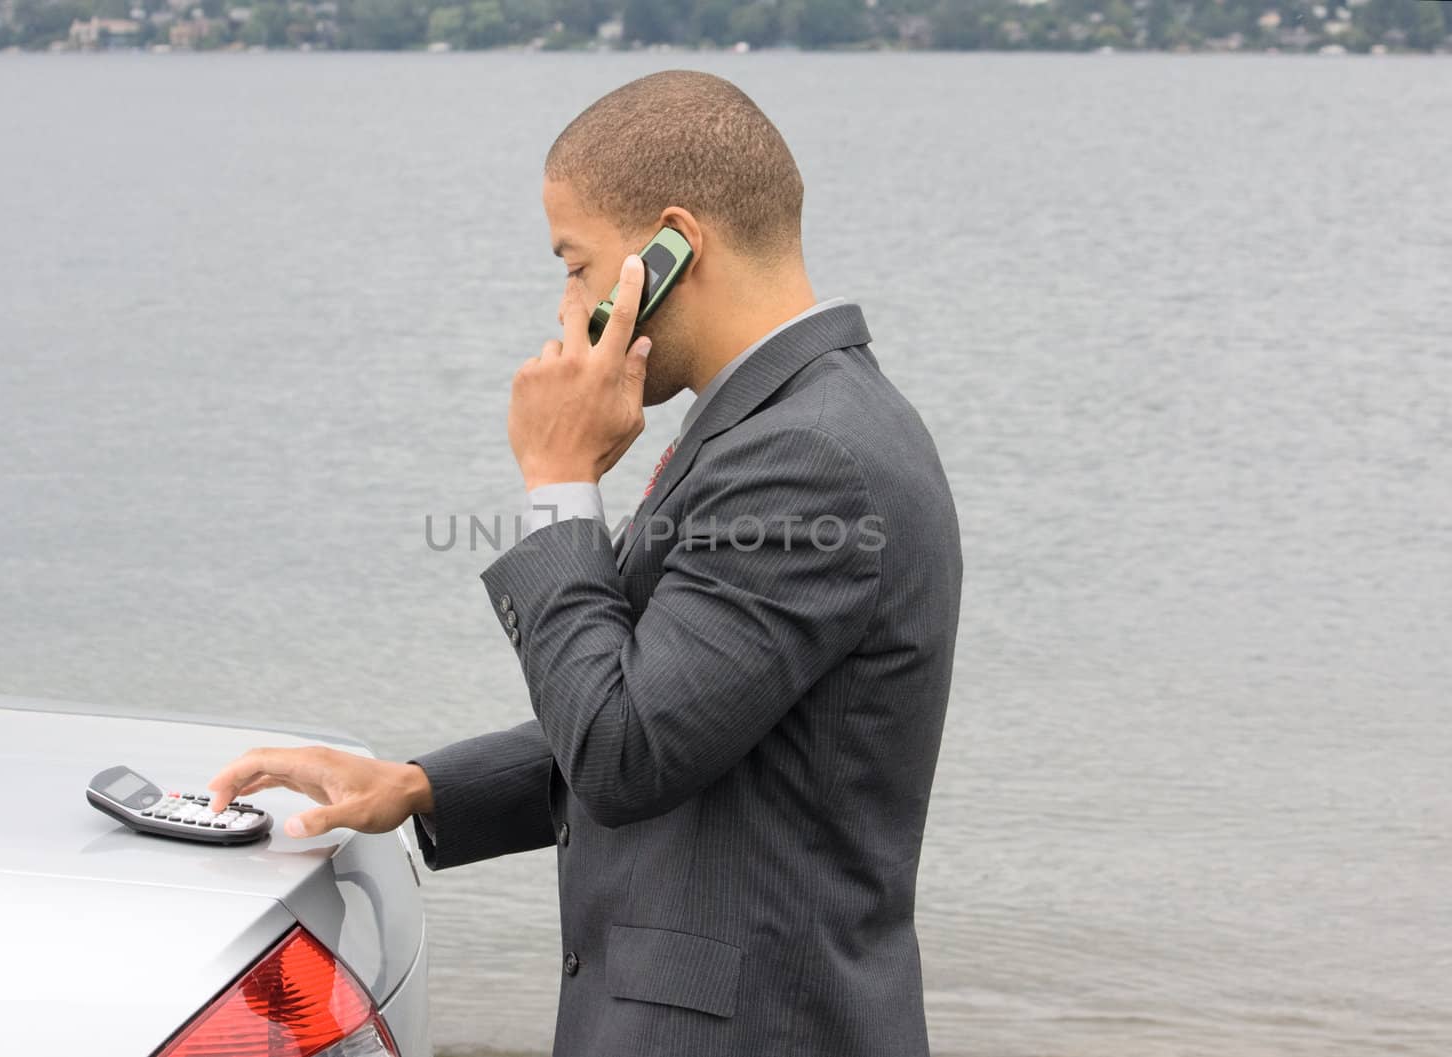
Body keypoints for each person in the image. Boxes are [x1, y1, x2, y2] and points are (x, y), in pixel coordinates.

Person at [207, 69, 962, 1057]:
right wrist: (421, 785)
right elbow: (685, 709)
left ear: (671, 247)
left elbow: (624, 747)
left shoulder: (804, 458)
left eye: (574, 264)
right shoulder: (785, 424)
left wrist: (557, 481)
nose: (566, 306)